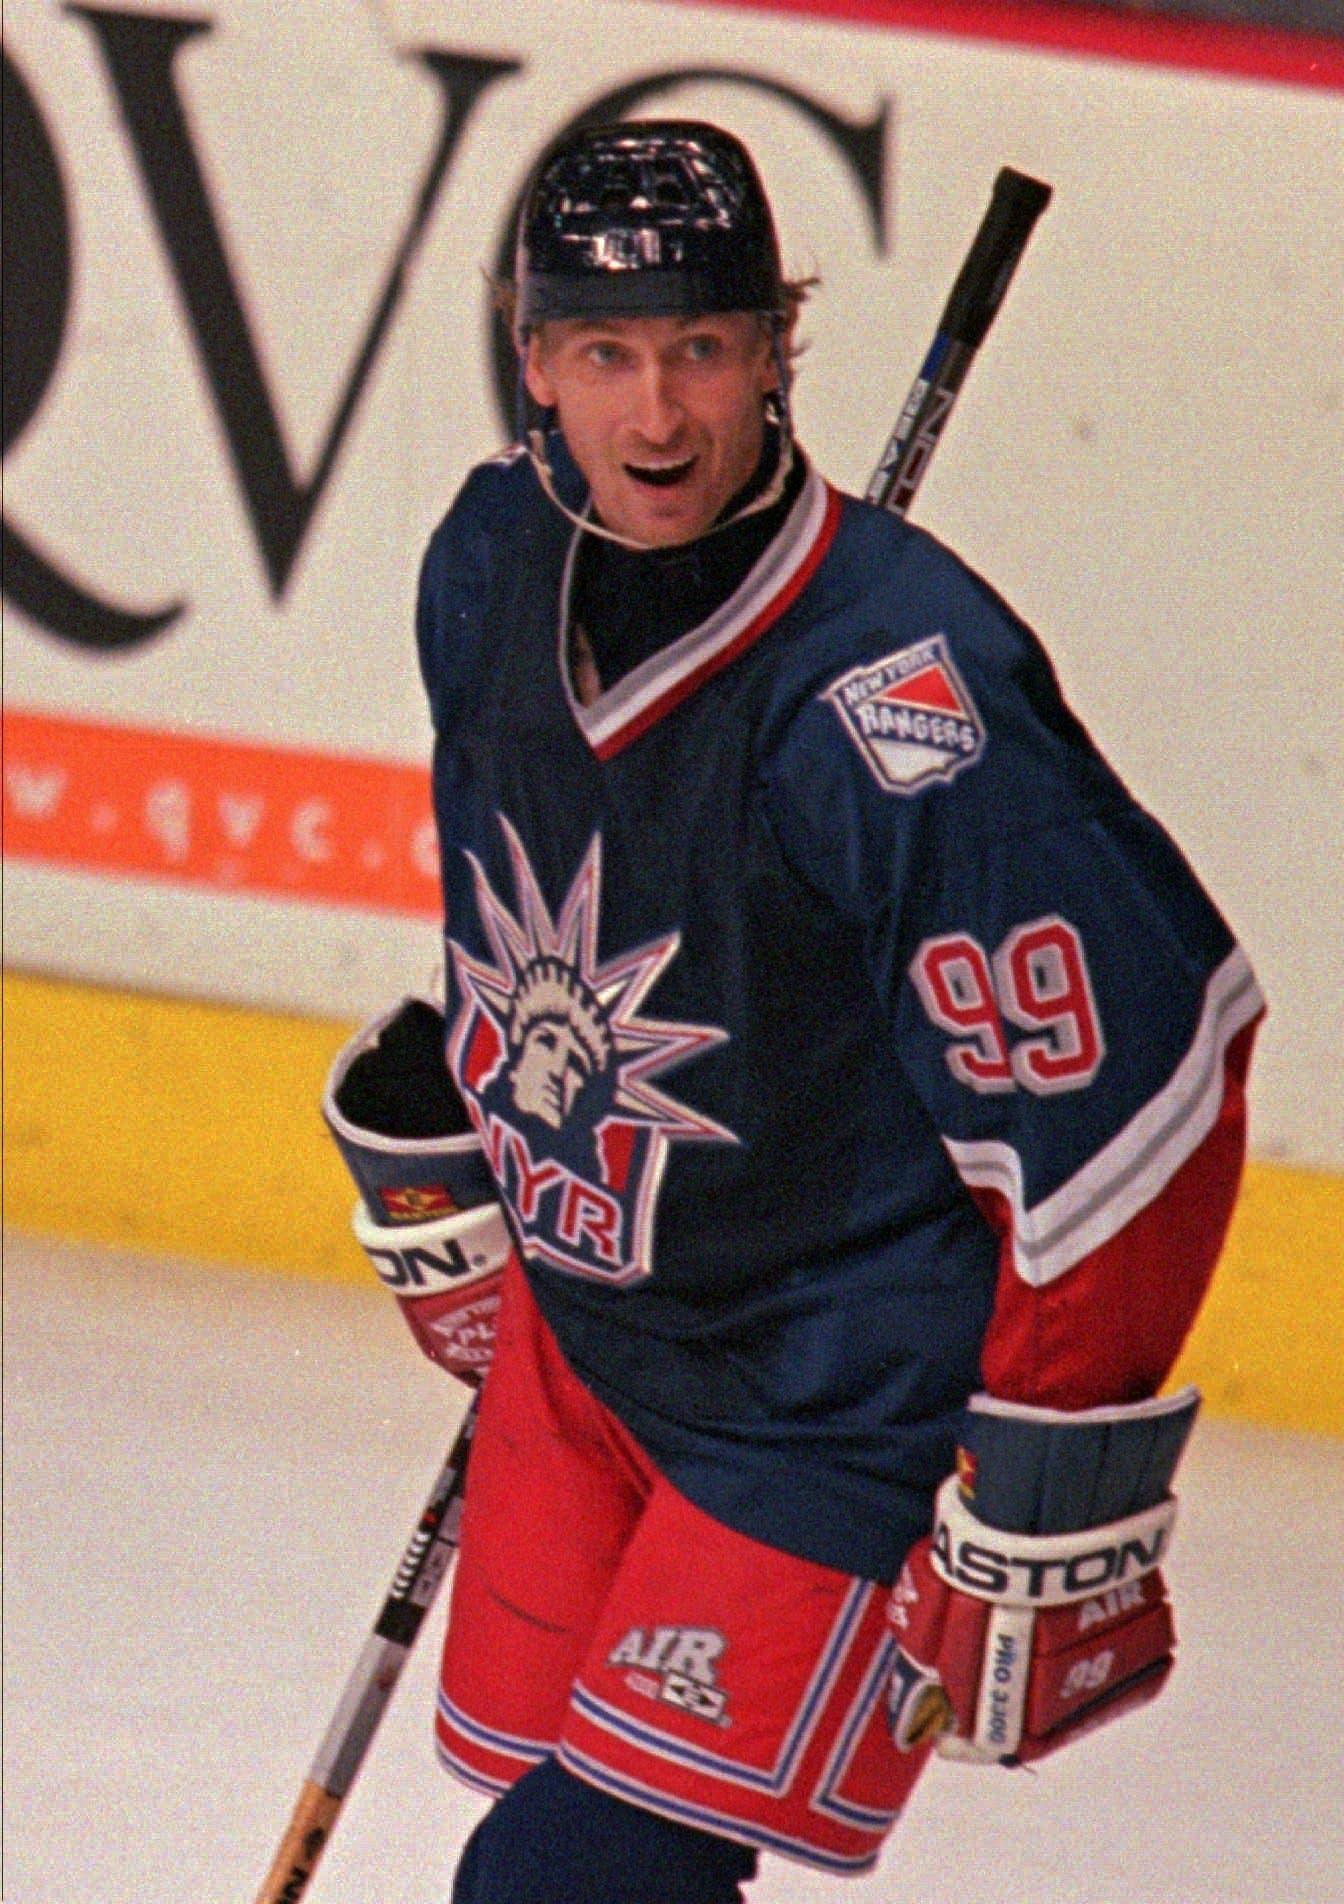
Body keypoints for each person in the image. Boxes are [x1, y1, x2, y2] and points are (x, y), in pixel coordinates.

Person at [324, 121, 1264, 1902]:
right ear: (531, 362)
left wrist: (1045, 1458)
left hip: (835, 1389)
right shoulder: (485, 563)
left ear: (778, 354)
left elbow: (1142, 1082)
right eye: (605, 354)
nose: (658, 416)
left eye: (705, 349)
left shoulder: (903, 698)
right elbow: (538, 899)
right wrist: (502, 1138)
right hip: (602, 1356)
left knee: (565, 1886)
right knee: (551, 1825)